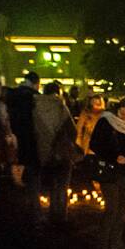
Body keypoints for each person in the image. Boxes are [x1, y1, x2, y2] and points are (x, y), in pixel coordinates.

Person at [89, 97, 125, 249]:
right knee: (111, 208)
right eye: (122, 114)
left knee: (122, 208)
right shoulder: (106, 121)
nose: (124, 118)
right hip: (109, 171)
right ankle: (102, 245)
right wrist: (114, 156)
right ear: (117, 110)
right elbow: (95, 144)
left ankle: (116, 242)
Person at [33, 82, 77, 225]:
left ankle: (52, 214)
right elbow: (72, 130)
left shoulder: (35, 107)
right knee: (63, 185)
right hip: (61, 152)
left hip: (43, 152)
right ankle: (61, 216)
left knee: (52, 185)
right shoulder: (60, 106)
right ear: (57, 92)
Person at [7, 71, 41, 221]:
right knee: (33, 177)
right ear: (36, 83)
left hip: (16, 141)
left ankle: (22, 212)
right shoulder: (34, 97)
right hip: (32, 141)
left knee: (19, 176)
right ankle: (35, 212)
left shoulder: (12, 95)